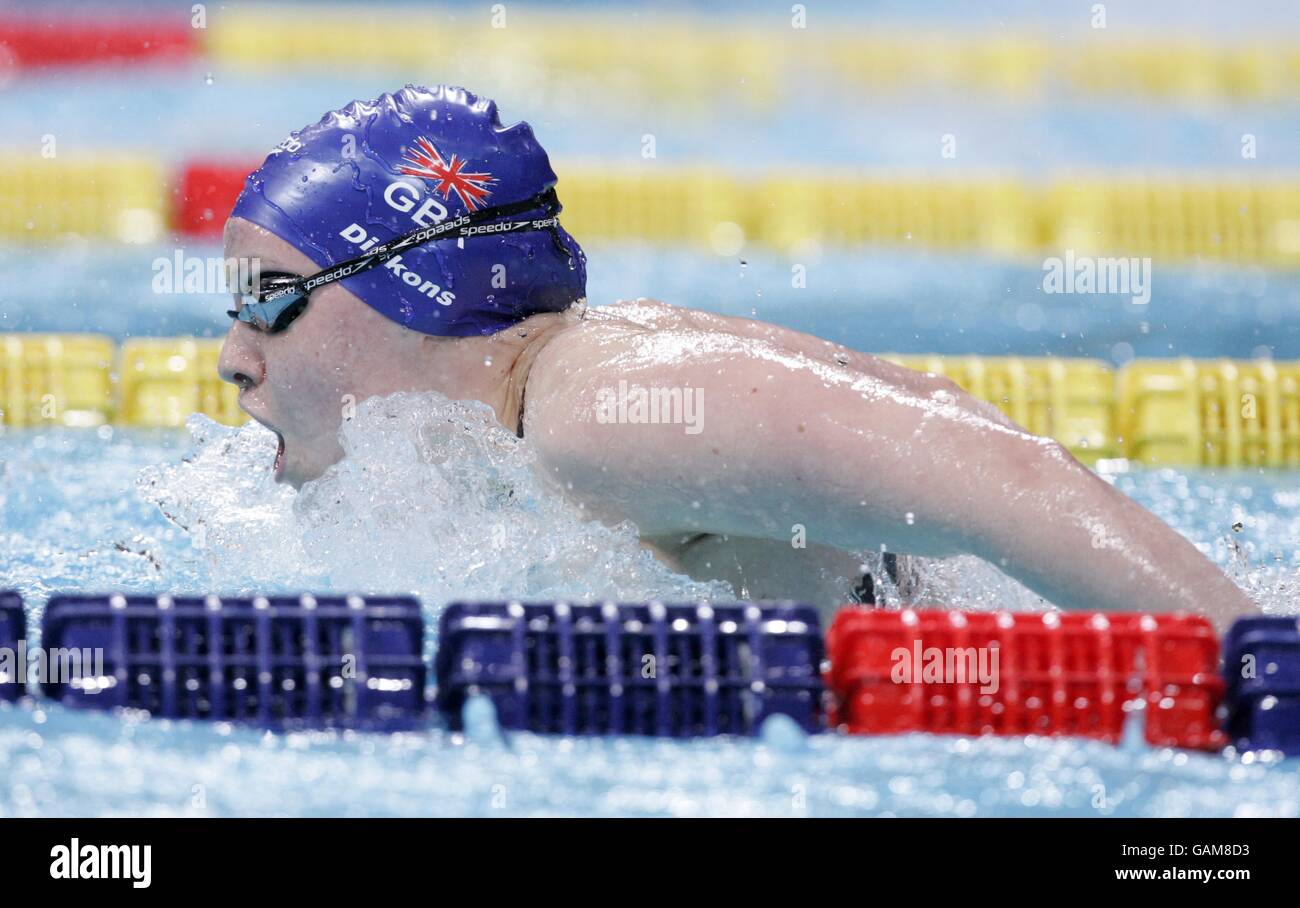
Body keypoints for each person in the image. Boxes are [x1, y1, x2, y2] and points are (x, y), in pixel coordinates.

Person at [219, 85, 1256, 630]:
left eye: (267, 302)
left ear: (412, 287)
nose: (233, 358)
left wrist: (1258, 671)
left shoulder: (602, 412)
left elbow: (1005, 473)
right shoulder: (532, 425)